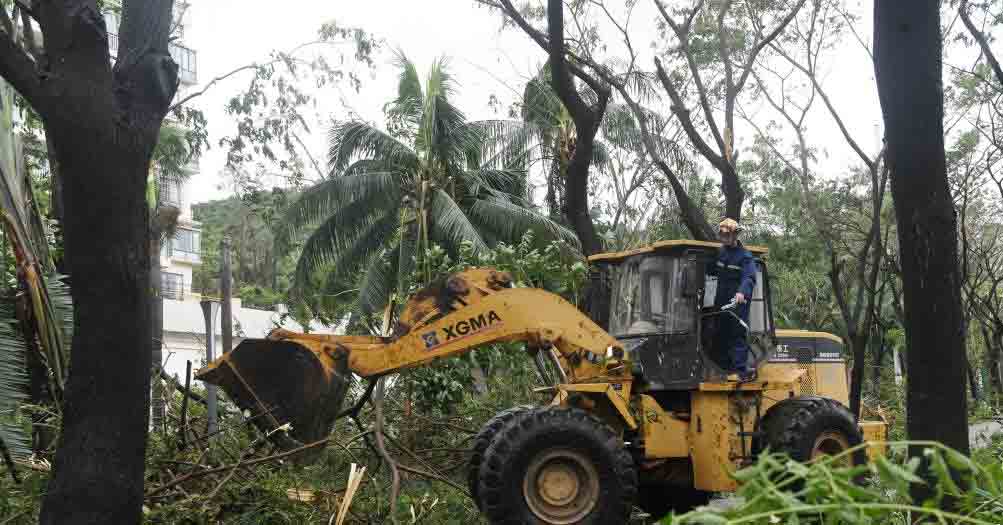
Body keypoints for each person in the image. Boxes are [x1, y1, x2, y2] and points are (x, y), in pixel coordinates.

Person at [708, 218, 757, 380]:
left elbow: (749, 277)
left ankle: (740, 371)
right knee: (719, 333)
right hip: (720, 302)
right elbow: (711, 269)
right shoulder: (720, 253)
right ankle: (722, 369)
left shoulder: (745, 257)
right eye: (721, 234)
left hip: (737, 303)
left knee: (737, 334)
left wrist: (742, 292)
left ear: (735, 234)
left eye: (727, 234)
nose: (723, 237)